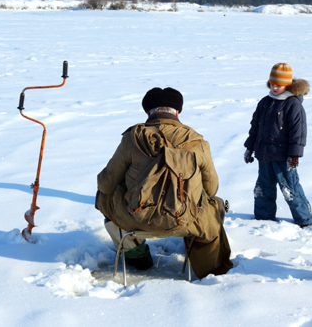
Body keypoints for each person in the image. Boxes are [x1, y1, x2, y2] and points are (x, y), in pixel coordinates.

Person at [95, 87, 233, 278]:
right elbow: (211, 188)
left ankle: (137, 257)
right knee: (213, 204)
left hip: (134, 217)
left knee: (103, 197)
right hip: (186, 220)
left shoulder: (133, 138)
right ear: (177, 112)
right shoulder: (198, 142)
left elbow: (106, 184)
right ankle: (208, 268)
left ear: (147, 112)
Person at [243, 63, 312, 227]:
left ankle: (304, 220)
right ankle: (263, 219)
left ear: (287, 85)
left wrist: (294, 155)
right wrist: (250, 147)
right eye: (272, 84)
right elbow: (255, 127)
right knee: (263, 189)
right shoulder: (265, 103)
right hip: (264, 155)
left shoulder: (293, 105)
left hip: (284, 157)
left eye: (279, 85)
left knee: (290, 190)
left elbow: (298, 132)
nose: (275, 88)